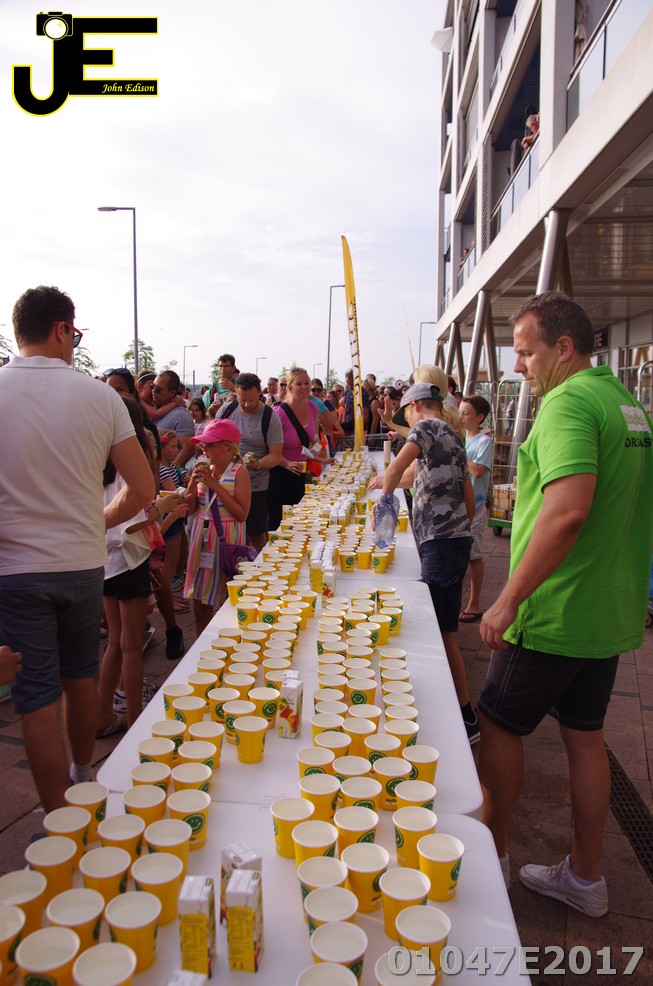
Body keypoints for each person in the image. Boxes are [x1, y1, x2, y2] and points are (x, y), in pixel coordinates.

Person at [478, 291, 653, 915]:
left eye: (526, 353)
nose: (517, 366)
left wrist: (507, 601)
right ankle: (586, 877)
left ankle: (490, 861)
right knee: (584, 736)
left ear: (564, 347)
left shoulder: (568, 402)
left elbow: (568, 512)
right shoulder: (626, 403)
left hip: (555, 609)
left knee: (498, 723)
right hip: (608, 608)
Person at [0, 285, 154, 812]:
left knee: (36, 698)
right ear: (62, 329)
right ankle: (84, 775)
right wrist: (96, 521)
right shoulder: (100, 396)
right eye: (75, 333)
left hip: (16, 567)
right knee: (80, 676)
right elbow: (143, 488)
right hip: (83, 561)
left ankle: (57, 818)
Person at [371, 382, 478, 743]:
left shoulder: (426, 427)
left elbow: (395, 469)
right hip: (454, 541)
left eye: (406, 412)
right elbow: (468, 497)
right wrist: (457, 528)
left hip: (442, 545)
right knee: (444, 629)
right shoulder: (454, 436)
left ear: (415, 406)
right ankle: (461, 711)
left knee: (439, 633)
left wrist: (384, 508)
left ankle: (463, 716)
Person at [97, 399, 183, 735]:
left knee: (116, 644)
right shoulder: (129, 466)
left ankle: (103, 717)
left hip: (105, 560)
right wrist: (163, 507)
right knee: (130, 646)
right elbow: (133, 524)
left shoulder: (98, 461)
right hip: (128, 561)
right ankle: (134, 723)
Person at [183, 420, 251, 635]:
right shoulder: (205, 471)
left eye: (210, 444)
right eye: (203, 444)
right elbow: (189, 509)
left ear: (228, 448)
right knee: (200, 597)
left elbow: (241, 514)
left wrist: (215, 485)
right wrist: (192, 483)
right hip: (202, 537)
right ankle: (201, 640)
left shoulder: (238, 472)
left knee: (227, 597)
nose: (204, 449)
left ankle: (228, 639)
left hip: (226, 538)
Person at [217, 373, 283, 552]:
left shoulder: (270, 417)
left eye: (251, 400)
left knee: (255, 534)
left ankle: (261, 563)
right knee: (225, 532)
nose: (246, 405)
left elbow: (276, 455)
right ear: (236, 393)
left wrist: (258, 464)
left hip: (255, 485)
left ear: (259, 394)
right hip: (224, 483)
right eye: (242, 400)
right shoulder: (226, 411)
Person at [268, 366, 328, 530]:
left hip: (300, 471)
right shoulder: (279, 412)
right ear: (290, 387)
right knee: (277, 519)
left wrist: (319, 456)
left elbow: (314, 438)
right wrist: (287, 464)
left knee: (297, 517)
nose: (304, 387)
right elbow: (269, 449)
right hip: (279, 471)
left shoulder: (313, 407)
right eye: (299, 384)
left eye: (307, 383)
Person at [458, 395, 493, 622]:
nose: (461, 417)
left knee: (474, 555)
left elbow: (478, 471)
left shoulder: (483, 442)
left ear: (480, 417)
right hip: (458, 507)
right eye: (460, 412)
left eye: (466, 413)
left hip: (476, 507)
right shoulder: (460, 438)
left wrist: (460, 453)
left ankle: (474, 603)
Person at [151, 371, 195, 467]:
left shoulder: (181, 415)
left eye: (158, 389)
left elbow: (188, 449)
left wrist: (169, 471)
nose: (153, 391)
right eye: (152, 386)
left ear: (172, 393)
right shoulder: (151, 410)